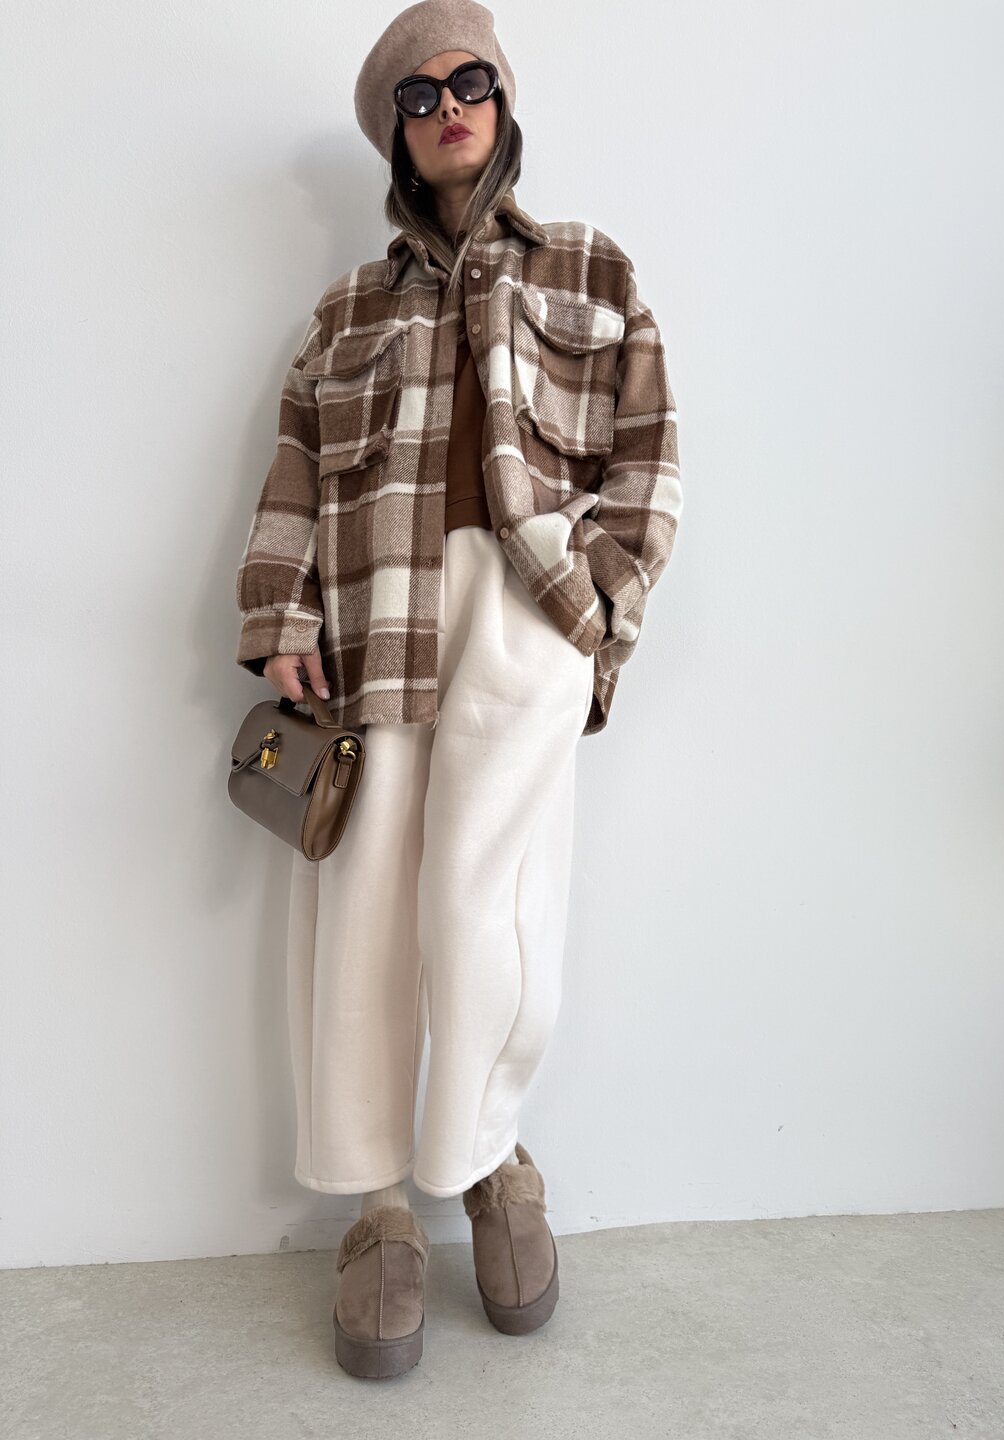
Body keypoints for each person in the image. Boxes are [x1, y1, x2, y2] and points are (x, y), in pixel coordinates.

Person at [234, 0, 682, 1380]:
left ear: (504, 94)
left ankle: (491, 1163)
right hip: (374, 613)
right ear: (396, 133)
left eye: (468, 80)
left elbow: (651, 455)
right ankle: (378, 1209)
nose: (448, 108)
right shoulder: (346, 310)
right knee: (364, 910)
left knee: (491, 912)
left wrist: (594, 614)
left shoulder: (593, 267)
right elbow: (296, 464)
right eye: (418, 97)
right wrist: (278, 612)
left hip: (524, 617)